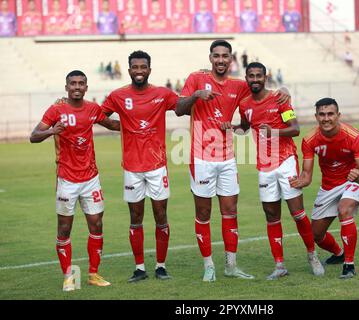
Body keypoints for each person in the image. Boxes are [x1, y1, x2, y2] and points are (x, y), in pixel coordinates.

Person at [176, 40, 290, 282]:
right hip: (201, 157)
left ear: (230, 59)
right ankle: (209, 266)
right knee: (204, 213)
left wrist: (285, 91)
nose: (220, 60)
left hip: (227, 158)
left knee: (230, 212)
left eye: (225, 56)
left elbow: (262, 91)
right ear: (210, 58)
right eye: (216, 55)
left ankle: (231, 265)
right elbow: (178, 109)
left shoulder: (239, 85)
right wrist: (196, 95)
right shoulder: (196, 78)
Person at [227, 62, 324, 279]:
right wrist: (232, 128)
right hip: (264, 166)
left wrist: (274, 132)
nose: (254, 79)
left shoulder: (280, 99)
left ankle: (312, 256)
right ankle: (280, 265)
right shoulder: (244, 104)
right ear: (246, 78)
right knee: (271, 216)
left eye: (258, 76)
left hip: (286, 161)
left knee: (297, 213)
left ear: (265, 77)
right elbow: (245, 126)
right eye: (250, 76)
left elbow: (296, 129)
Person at [29, 70, 120, 291]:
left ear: (86, 87)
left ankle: (93, 274)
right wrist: (52, 131)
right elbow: (33, 136)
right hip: (67, 179)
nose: (77, 87)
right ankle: (68, 276)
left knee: (97, 224)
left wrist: (136, 117)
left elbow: (113, 125)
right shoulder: (57, 109)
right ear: (67, 86)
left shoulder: (92, 109)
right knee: (64, 228)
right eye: (73, 83)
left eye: (81, 83)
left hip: (91, 178)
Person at [101, 51, 179, 282]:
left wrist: (198, 94)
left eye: (143, 67)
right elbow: (98, 115)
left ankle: (161, 266)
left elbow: (182, 105)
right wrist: (119, 126)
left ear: (149, 70)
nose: (139, 71)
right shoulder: (118, 95)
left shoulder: (162, 94)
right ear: (129, 70)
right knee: (135, 217)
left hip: (157, 165)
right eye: (135, 67)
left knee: (160, 215)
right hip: (132, 168)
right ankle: (139, 268)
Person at [290, 97, 359, 279]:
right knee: (316, 235)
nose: (326, 118)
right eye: (322, 114)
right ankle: (339, 253)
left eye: (330, 114)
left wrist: (358, 176)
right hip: (328, 186)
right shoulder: (309, 139)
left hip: (351, 181)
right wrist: (298, 181)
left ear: (338, 115)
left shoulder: (354, 137)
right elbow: (307, 176)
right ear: (316, 116)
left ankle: (349, 264)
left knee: (344, 210)